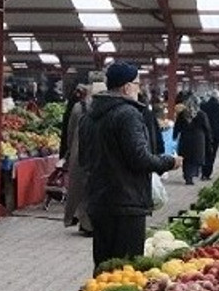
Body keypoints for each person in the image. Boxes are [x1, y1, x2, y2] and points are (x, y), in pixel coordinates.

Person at [79, 62, 180, 267]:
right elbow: (139, 158)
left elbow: (83, 158)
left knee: (104, 267)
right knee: (127, 268)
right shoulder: (128, 114)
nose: (139, 88)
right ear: (126, 87)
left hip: (99, 201)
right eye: (136, 84)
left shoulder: (89, 116)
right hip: (126, 202)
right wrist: (169, 162)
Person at [60, 85, 93, 235]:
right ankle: (87, 223)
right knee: (90, 188)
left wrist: (68, 150)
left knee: (80, 187)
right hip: (95, 152)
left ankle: (82, 220)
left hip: (78, 151)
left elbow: (70, 131)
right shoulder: (108, 108)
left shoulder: (78, 108)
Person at [173, 102, 210, 185]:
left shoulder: (182, 114)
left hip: (185, 139)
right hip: (198, 139)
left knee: (186, 158)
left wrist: (174, 136)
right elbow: (207, 127)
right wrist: (209, 139)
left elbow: (177, 126)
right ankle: (191, 175)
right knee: (195, 159)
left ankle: (187, 175)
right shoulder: (201, 114)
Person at [200, 94, 219, 179]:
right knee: (212, 153)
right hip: (217, 133)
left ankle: (203, 171)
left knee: (205, 152)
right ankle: (207, 173)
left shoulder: (203, 106)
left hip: (204, 132)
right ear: (218, 98)